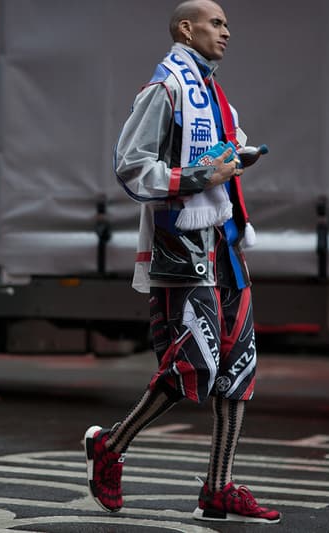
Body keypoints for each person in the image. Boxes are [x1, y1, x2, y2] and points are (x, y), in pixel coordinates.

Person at [84, 0, 281, 524]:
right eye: (217, 23)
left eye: (227, 23)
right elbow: (130, 168)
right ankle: (110, 446)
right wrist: (199, 176)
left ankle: (219, 489)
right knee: (195, 363)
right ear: (185, 29)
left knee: (238, 367)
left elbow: (218, 159)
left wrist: (238, 156)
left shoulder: (215, 94)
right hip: (181, 243)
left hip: (224, 241)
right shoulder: (165, 89)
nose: (227, 31)